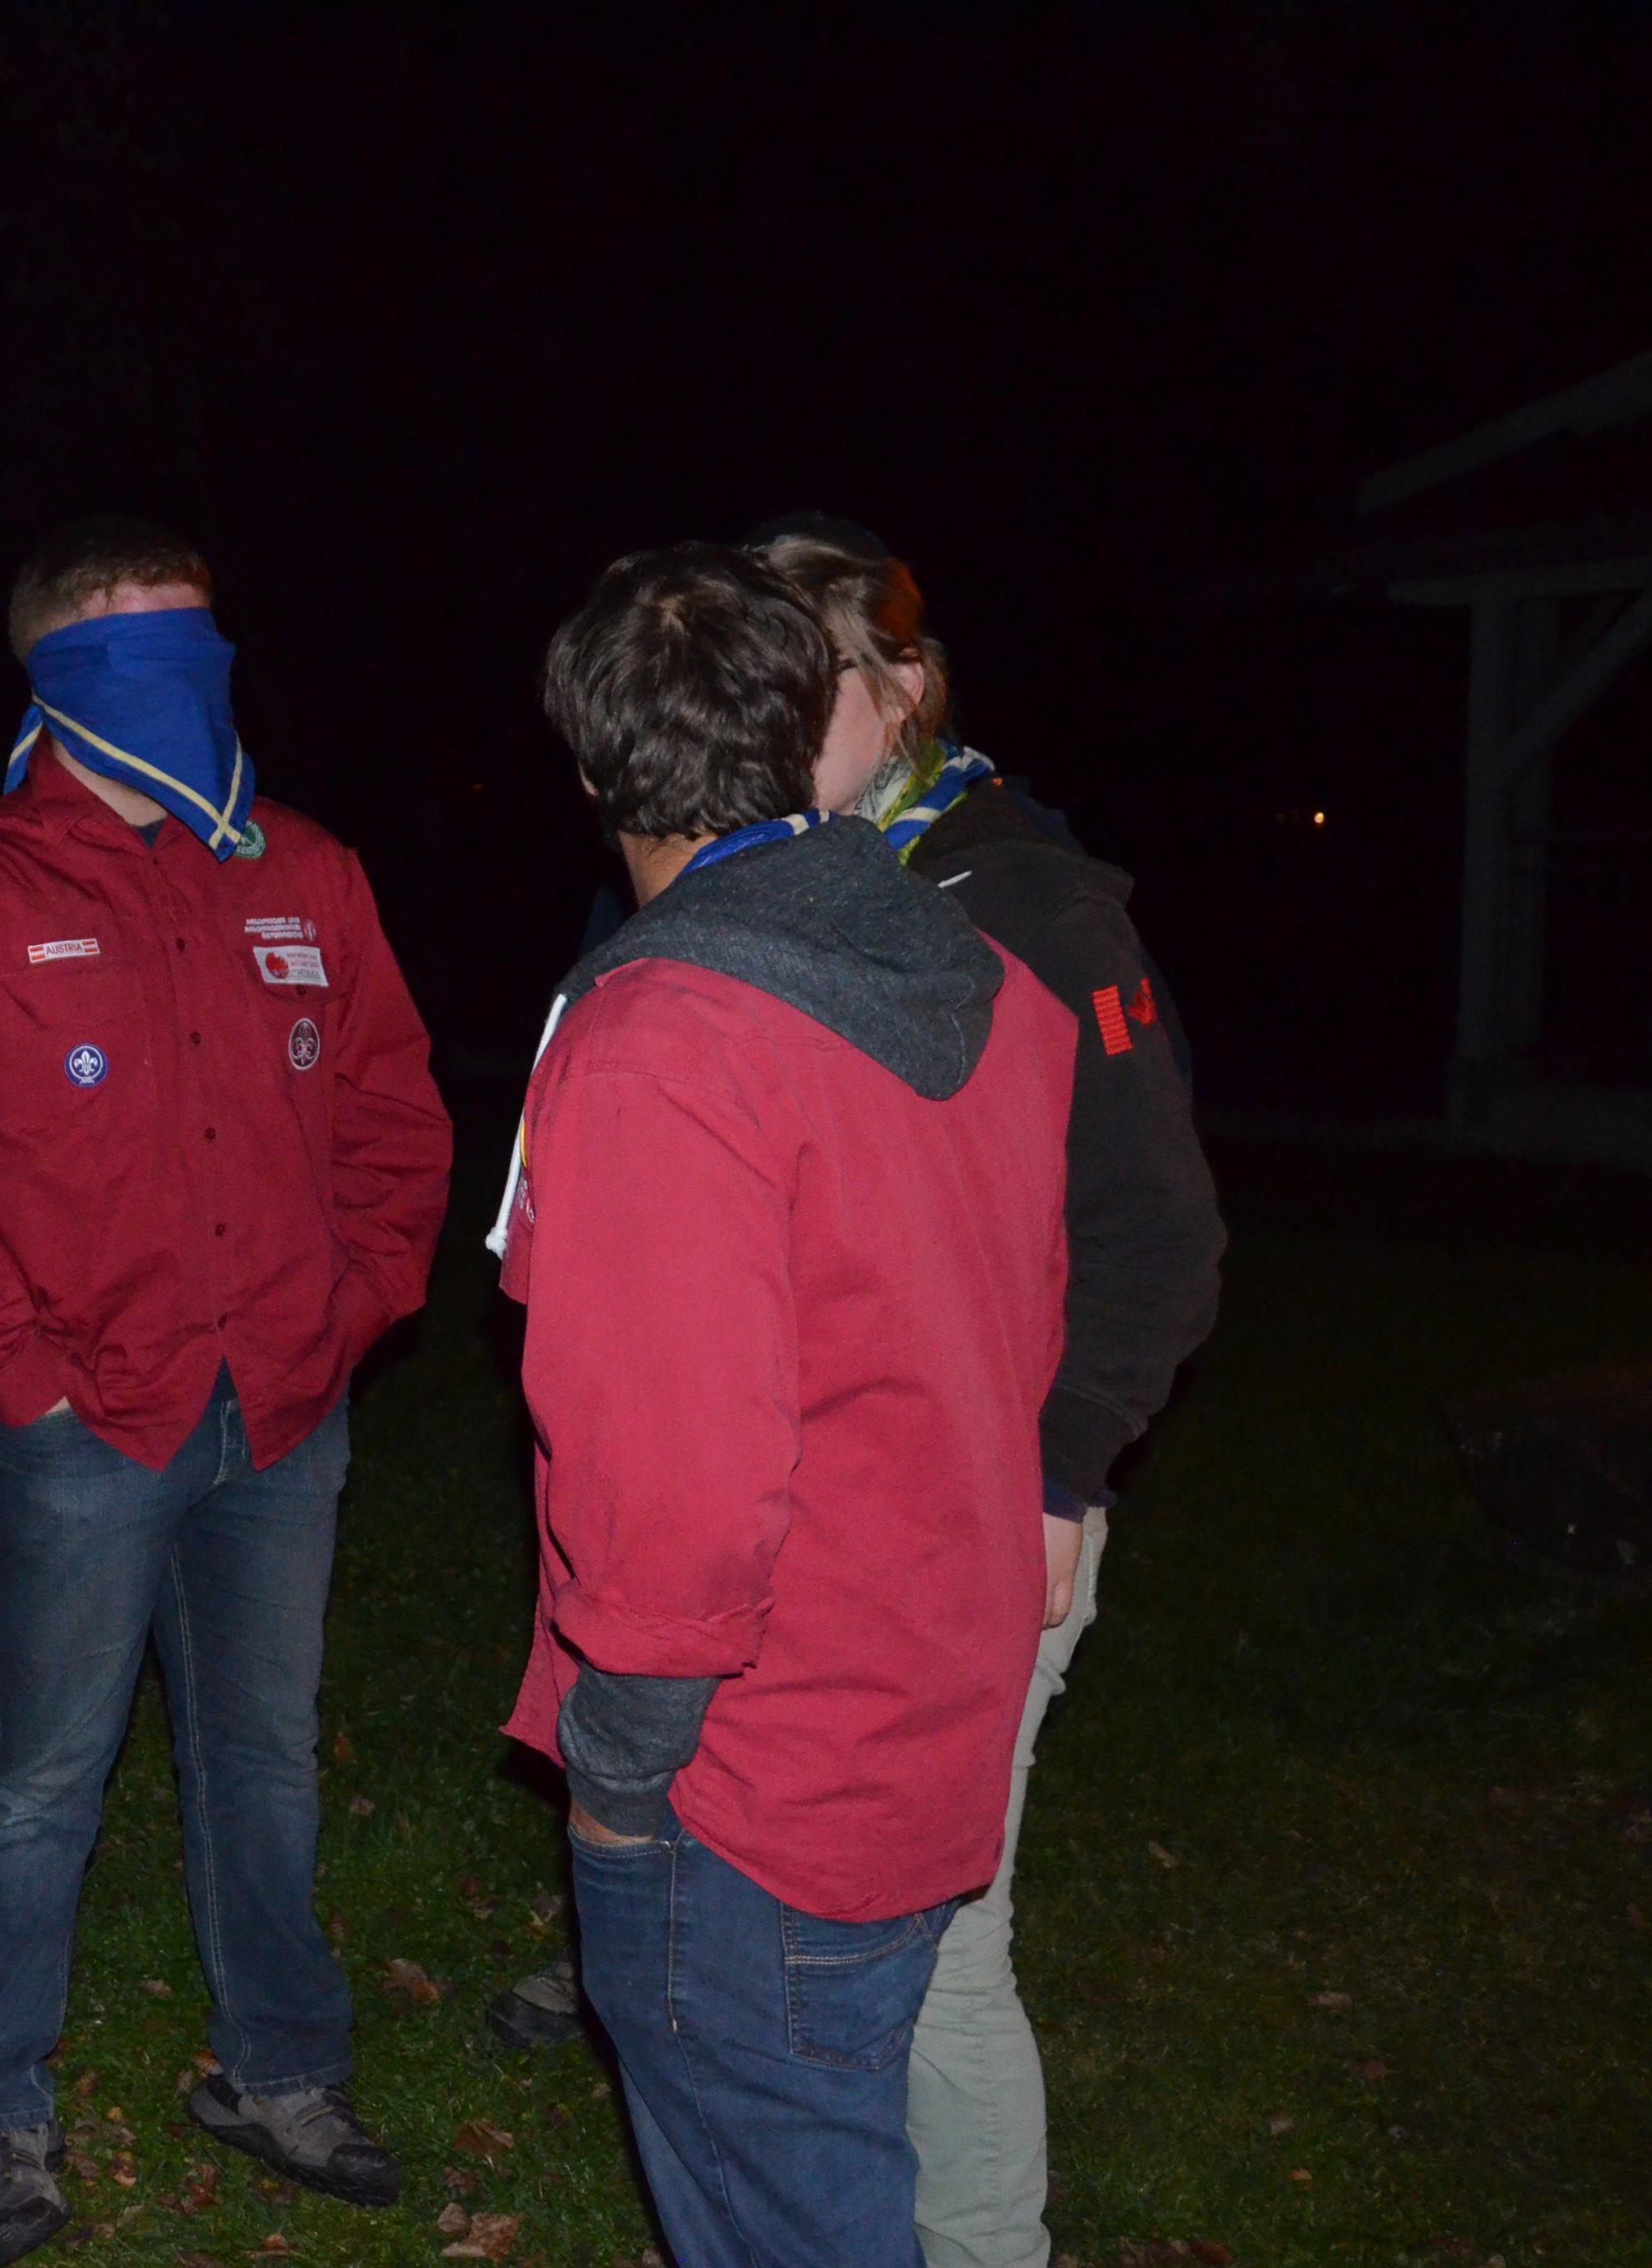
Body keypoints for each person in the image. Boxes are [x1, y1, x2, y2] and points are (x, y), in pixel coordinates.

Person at [0, 517, 452, 2263]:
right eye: (136, 653)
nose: (183, 687)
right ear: (56, 676)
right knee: (41, 1781)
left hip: (284, 1407)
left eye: (199, 644)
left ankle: (279, 2071)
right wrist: (14, 1374)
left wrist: (352, 1308)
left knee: (263, 1758)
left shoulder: (305, 871)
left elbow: (395, 1115)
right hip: (80, 1427)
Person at [498, 543, 1073, 2268]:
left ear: (591, 765)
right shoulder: (976, 976)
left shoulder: (663, 1039)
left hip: (755, 1772)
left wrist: (619, 1773)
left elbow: (675, 1487)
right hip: (927, 1704)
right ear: (808, 720)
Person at [754, 517, 1224, 2268]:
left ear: (906, 688)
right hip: (816, 1491)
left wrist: (1056, 1473)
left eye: (808, 679)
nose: (771, 717)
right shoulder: (758, 883)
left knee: (944, 1934)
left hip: (979, 1507)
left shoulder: (1027, 900)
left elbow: (1157, 1231)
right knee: (809, 1911)